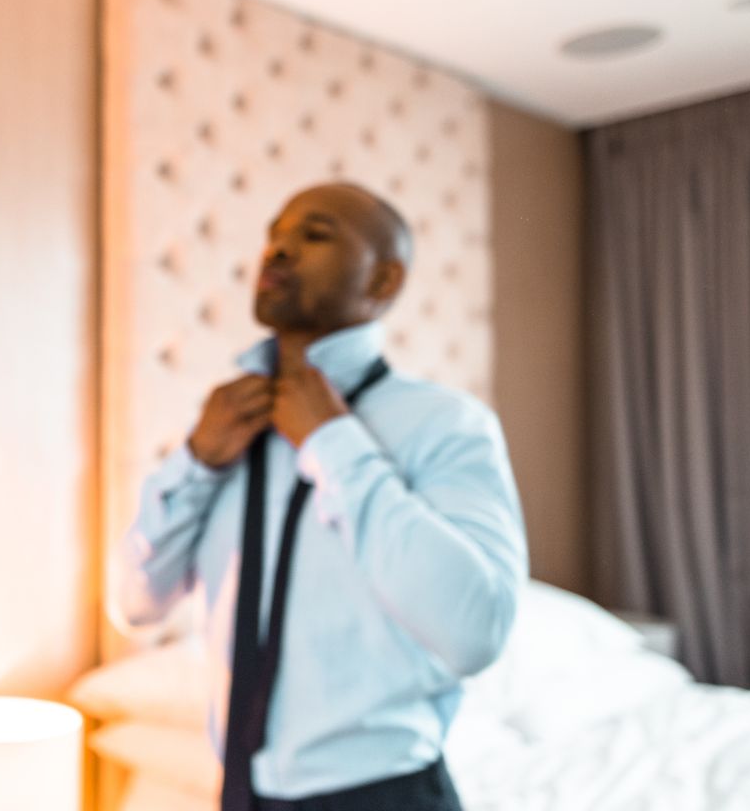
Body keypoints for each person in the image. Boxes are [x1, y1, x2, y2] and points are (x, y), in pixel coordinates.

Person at [114, 183, 526, 811]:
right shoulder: (227, 428)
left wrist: (334, 442)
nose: (278, 249)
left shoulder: (446, 425)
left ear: (384, 281)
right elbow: (136, 604)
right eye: (275, 233)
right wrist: (195, 463)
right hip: (240, 794)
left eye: (315, 234)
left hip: (386, 796)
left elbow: (475, 631)